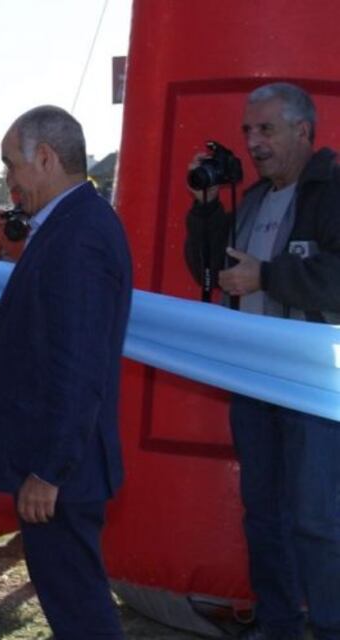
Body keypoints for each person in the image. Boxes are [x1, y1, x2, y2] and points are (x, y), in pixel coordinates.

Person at [0, 105, 132, 639]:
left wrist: (50, 471)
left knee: (79, 607)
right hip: (59, 463)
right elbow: (52, 326)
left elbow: (79, 367)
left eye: (11, 166)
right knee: (70, 599)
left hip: (62, 471)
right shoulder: (69, 224)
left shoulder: (79, 235)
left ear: (46, 158)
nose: (9, 183)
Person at [183, 82, 340, 640]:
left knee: (318, 521)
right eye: (248, 130)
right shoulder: (250, 198)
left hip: (316, 385)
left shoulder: (331, 189)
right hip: (254, 382)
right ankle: (279, 624)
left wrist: (268, 276)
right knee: (264, 515)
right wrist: (205, 212)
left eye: (266, 129)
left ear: (303, 130)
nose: (252, 142)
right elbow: (210, 270)